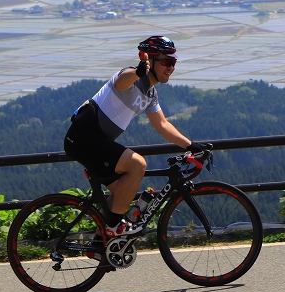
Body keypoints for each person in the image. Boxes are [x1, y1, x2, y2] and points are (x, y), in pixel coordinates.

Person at [64, 35, 199, 239]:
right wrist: (138, 71)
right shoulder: (131, 77)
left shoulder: (150, 94)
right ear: (149, 59)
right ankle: (112, 228)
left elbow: (162, 124)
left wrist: (191, 146)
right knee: (137, 165)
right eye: (166, 62)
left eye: (173, 62)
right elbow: (121, 82)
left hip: (96, 143)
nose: (171, 67)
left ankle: (101, 244)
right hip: (84, 136)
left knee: (122, 194)